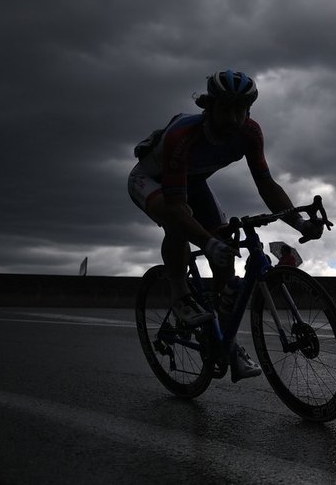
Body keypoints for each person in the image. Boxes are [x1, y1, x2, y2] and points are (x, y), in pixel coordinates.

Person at [128, 70, 321, 382]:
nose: (234, 118)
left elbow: (266, 185)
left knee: (227, 256)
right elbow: (178, 208)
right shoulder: (183, 135)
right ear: (209, 107)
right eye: (226, 109)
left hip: (192, 182)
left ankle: (225, 344)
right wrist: (207, 243)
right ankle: (180, 294)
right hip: (150, 181)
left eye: (241, 110)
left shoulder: (250, 133)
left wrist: (298, 222)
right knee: (177, 220)